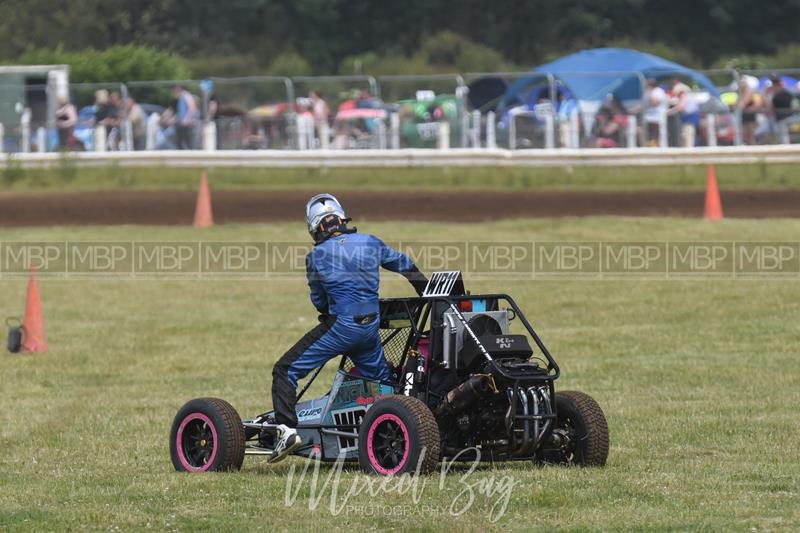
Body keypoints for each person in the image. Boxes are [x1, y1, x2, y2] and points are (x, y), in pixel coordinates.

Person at [267, 193, 428, 462]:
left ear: (316, 227)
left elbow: (320, 303)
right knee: (382, 385)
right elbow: (406, 265)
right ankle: (396, 429)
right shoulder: (369, 242)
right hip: (369, 330)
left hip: (341, 329)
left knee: (284, 371)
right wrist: (426, 292)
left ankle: (286, 432)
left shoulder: (316, 256)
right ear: (342, 218)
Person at [668, 80, 700, 147]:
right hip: (690, 117)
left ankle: (688, 149)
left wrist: (670, 111)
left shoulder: (684, 96)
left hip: (690, 117)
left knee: (688, 134)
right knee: (687, 134)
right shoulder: (689, 96)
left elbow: (681, 106)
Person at [173, 85, 198, 149]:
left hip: (188, 124)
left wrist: (187, 119)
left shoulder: (186, 96)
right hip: (182, 124)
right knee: (180, 143)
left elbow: (192, 108)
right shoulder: (181, 98)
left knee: (189, 143)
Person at [643, 79, 667, 146]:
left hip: (657, 117)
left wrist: (650, 95)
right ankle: (650, 144)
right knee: (647, 132)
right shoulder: (646, 92)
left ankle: (658, 145)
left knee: (657, 133)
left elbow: (655, 103)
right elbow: (644, 104)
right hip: (648, 117)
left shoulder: (658, 91)